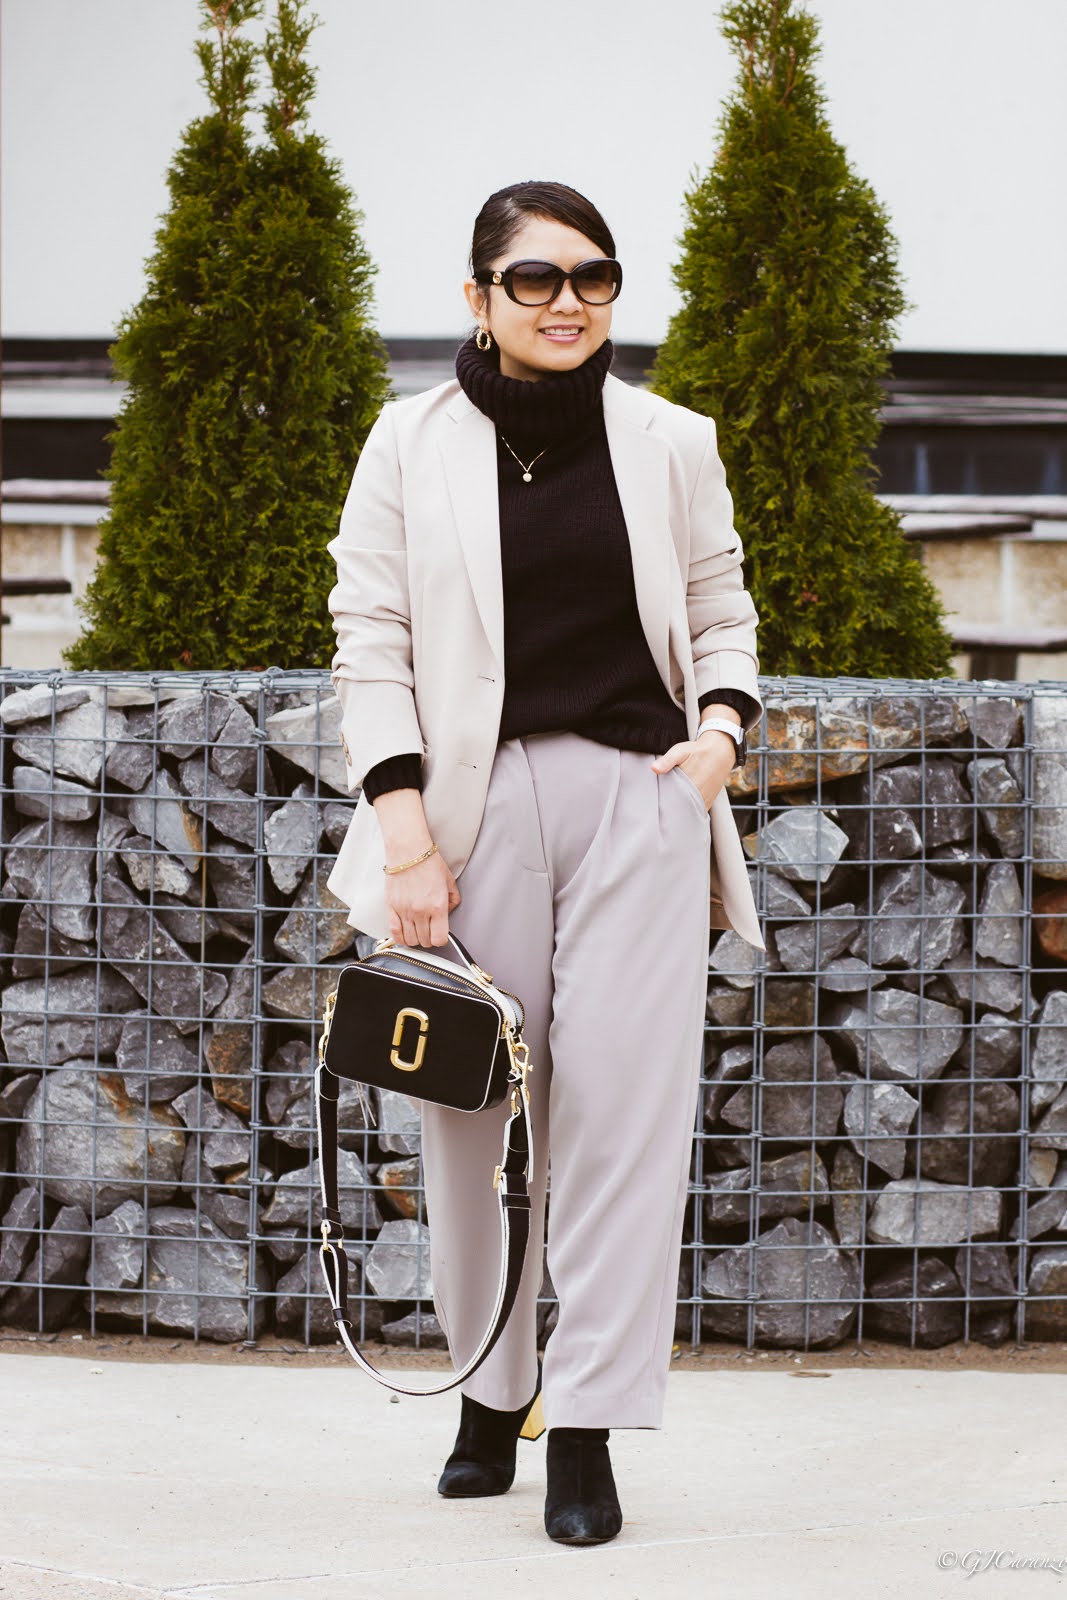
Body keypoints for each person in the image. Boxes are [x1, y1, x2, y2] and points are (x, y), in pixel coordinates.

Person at [325, 180, 763, 1547]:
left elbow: (719, 606)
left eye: (592, 276)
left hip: (641, 797)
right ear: (477, 298)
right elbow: (372, 634)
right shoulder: (409, 445)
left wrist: (723, 732)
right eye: (535, 278)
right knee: (468, 1114)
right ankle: (487, 1388)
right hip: (465, 811)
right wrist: (405, 834)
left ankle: (585, 1427)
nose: (567, 299)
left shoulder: (670, 441)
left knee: (626, 1122)